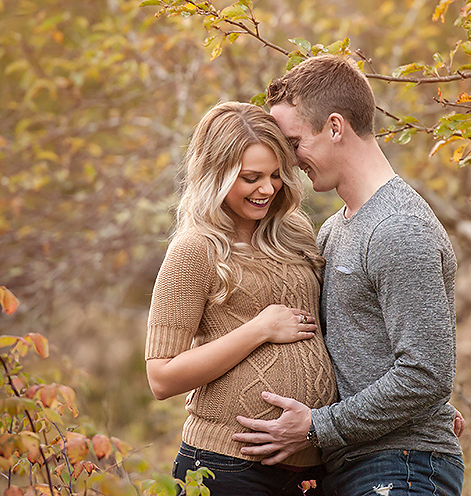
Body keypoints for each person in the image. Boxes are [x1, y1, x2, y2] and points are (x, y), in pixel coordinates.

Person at [233, 55, 465, 496]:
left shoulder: (398, 228)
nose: (290, 162)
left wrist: (316, 426)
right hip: (356, 465)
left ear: (335, 127)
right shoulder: (334, 229)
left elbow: (426, 373)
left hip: (403, 467)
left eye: (294, 142)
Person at [145, 101, 339, 495]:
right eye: (251, 177)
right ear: (216, 175)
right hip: (227, 467)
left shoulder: (295, 233)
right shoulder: (194, 250)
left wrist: (413, 410)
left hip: (311, 462)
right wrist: (260, 329)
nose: (267, 189)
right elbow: (161, 378)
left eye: (274, 175)